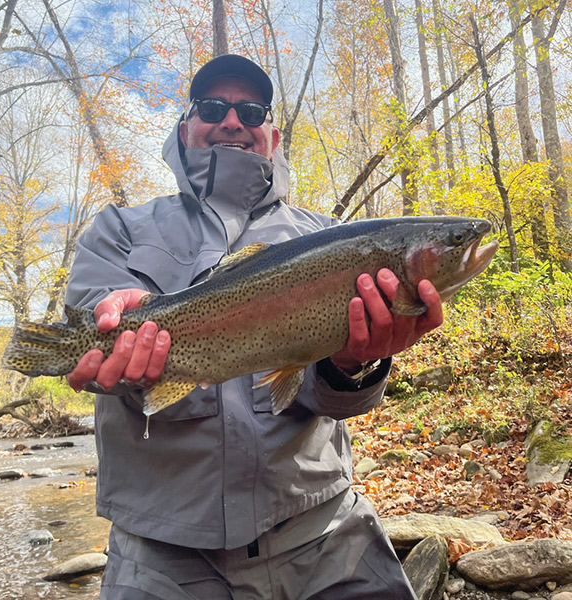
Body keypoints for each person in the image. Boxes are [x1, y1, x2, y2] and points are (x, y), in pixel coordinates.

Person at [64, 54, 443, 600]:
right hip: (162, 558)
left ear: (272, 131)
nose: (232, 120)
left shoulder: (326, 238)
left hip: (325, 537)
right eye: (213, 106)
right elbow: (94, 322)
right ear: (185, 126)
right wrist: (115, 335)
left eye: (251, 109)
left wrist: (351, 366)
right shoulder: (118, 229)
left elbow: (325, 397)